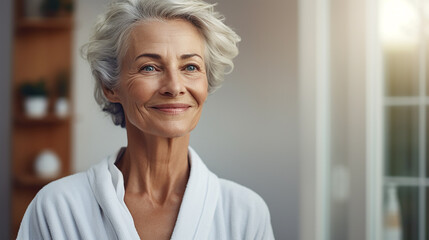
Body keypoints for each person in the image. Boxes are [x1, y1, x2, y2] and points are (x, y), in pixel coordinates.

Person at [17, 0, 275, 239]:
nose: (174, 87)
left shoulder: (245, 213)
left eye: (190, 67)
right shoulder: (57, 208)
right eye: (149, 67)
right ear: (110, 86)